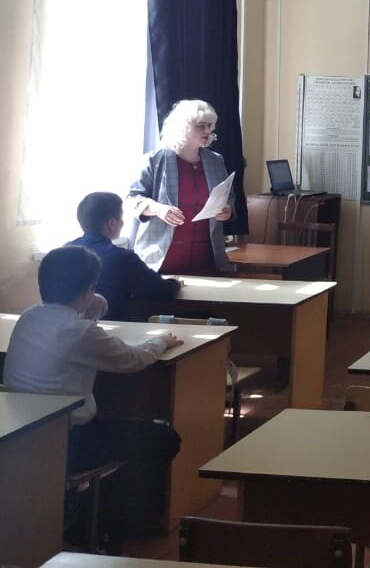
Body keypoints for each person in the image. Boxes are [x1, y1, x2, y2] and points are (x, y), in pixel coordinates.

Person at [3, 245, 183, 544]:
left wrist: (91, 308)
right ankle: (101, 519)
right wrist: (161, 340)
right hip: (70, 439)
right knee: (164, 439)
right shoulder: (81, 332)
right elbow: (132, 359)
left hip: (22, 436)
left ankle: (82, 507)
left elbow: (79, 340)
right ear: (88, 290)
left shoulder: (29, 317)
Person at [126, 99, 234, 275]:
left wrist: (228, 209)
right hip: (162, 259)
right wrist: (158, 209)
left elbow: (229, 196)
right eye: (201, 126)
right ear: (183, 127)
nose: (208, 131)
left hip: (207, 258)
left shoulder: (216, 160)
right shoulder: (154, 160)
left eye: (210, 126)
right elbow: (132, 199)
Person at [70, 191, 180, 322]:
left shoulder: (63, 251)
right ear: (112, 224)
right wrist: (175, 282)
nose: (122, 223)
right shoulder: (124, 258)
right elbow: (163, 292)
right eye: (121, 218)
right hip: (117, 327)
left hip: (68, 328)